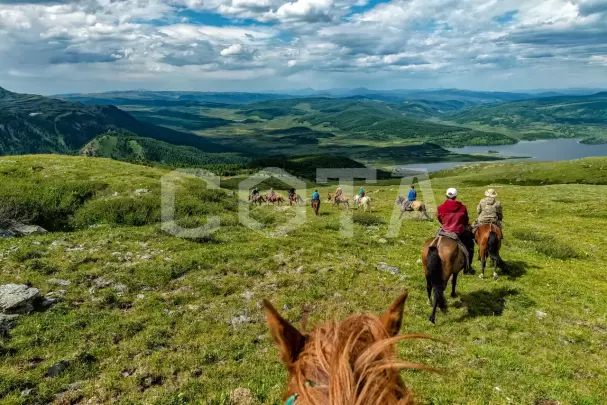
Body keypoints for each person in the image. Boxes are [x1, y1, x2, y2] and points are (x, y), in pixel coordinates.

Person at [436, 188, 474, 269]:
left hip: (445, 231)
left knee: (435, 242)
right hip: (459, 231)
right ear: (455, 196)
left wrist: (444, 224)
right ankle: (468, 267)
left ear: (446, 196)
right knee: (470, 244)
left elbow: (439, 218)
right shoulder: (463, 207)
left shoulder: (440, 207)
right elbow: (466, 220)